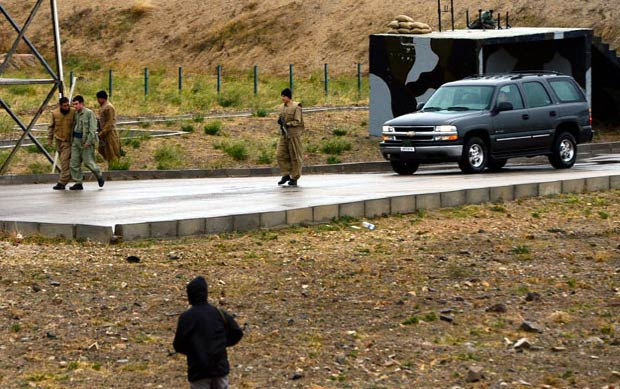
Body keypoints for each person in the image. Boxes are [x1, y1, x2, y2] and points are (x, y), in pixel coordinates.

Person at [173, 276, 243, 389]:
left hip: (198, 371)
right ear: (206, 293)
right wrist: (222, 343)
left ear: (189, 295)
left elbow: (178, 345)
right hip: (219, 369)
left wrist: (193, 351)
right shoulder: (218, 313)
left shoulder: (186, 317)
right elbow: (237, 332)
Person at [69, 95, 104, 190]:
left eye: (76, 104)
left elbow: (93, 128)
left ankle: (99, 174)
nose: (75, 106)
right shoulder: (76, 114)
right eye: (73, 105)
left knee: (88, 162)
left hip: (85, 141)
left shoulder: (89, 113)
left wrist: (89, 141)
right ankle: (78, 182)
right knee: (74, 163)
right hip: (76, 140)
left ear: (81, 103)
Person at [276, 88, 304, 186]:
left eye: (284, 96)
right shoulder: (281, 107)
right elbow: (280, 118)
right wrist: (280, 122)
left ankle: (294, 177)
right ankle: (286, 174)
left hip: (294, 135)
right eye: (282, 96)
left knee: (295, 156)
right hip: (284, 134)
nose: (282, 98)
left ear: (288, 97)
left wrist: (288, 124)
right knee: (280, 155)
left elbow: (297, 121)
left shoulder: (296, 107)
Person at [47, 97, 75, 190]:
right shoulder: (55, 113)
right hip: (58, 141)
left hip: (68, 142)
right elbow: (51, 127)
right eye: (64, 105)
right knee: (63, 161)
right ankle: (74, 179)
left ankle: (62, 182)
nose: (67, 107)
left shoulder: (73, 112)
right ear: (60, 105)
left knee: (64, 162)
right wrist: (49, 140)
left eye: (68, 105)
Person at [96, 90, 121, 166]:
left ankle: (115, 169)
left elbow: (110, 122)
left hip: (110, 134)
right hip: (104, 134)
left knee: (112, 152)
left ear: (102, 98)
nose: (97, 101)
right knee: (105, 152)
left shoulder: (109, 107)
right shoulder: (103, 107)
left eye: (98, 99)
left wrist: (102, 133)